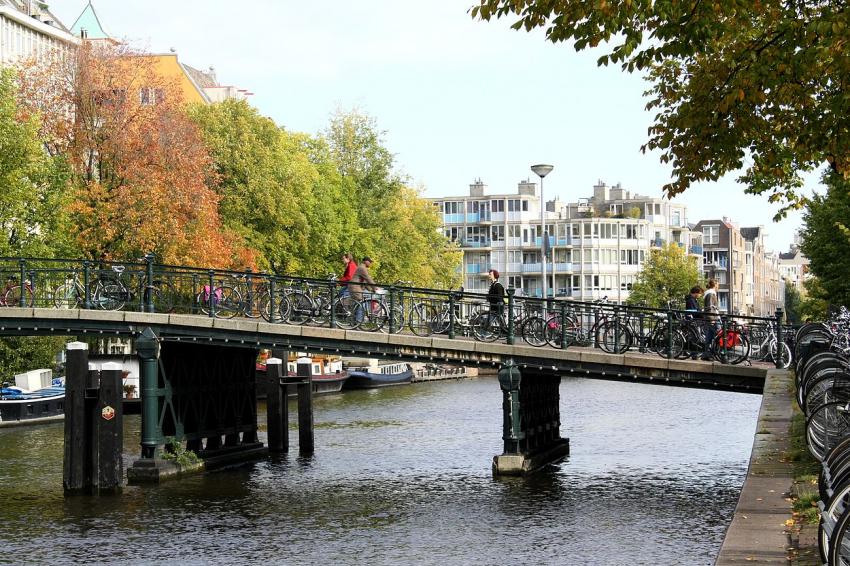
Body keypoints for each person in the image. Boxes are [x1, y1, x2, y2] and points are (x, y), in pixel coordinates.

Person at [349, 257, 378, 322]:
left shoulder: (362, 268)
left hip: (356, 287)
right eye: (370, 262)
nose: (370, 263)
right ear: (365, 261)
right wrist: (375, 288)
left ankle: (354, 321)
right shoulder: (362, 268)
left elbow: (365, 282)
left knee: (359, 304)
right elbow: (368, 279)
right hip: (355, 287)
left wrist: (372, 289)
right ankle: (358, 321)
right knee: (362, 303)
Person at [702, 279, 720, 359]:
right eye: (717, 285)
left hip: (711, 317)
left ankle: (707, 353)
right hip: (712, 318)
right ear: (715, 285)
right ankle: (714, 353)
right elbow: (710, 307)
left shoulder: (710, 293)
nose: (718, 286)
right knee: (716, 334)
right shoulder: (711, 294)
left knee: (710, 335)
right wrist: (712, 318)